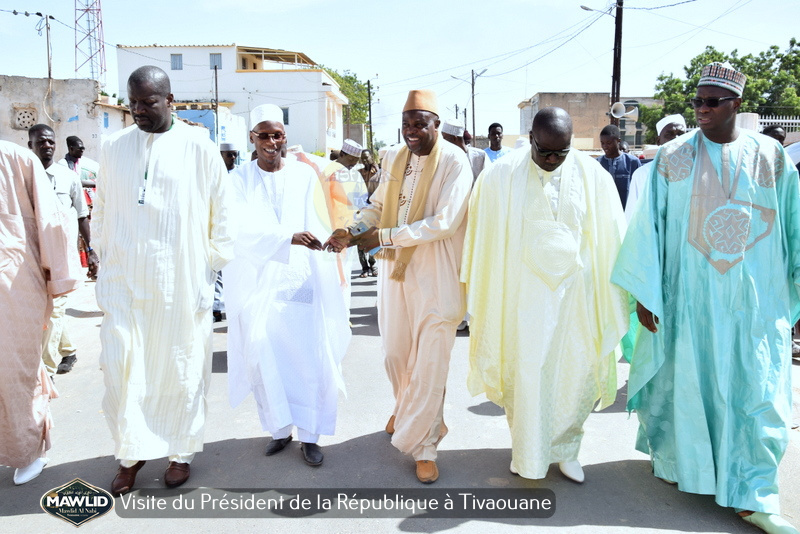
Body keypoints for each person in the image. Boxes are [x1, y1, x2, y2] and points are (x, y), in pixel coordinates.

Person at [611, 63, 800, 534]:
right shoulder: (673, 157)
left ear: (736, 103)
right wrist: (645, 295)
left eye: (711, 102)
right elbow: (648, 229)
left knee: (757, 392)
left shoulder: (772, 157)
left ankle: (753, 492)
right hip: (689, 302)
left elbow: (794, 228)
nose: (700, 109)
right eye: (696, 101)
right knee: (689, 385)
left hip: (755, 305)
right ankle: (685, 466)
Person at [462, 107, 628, 483]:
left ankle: (568, 449)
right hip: (521, 300)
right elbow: (483, 242)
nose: (552, 159)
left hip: (576, 301)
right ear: (531, 140)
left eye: (561, 152)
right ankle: (526, 450)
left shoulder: (592, 177)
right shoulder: (500, 176)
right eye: (545, 151)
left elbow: (610, 238)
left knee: (573, 374)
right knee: (526, 374)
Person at [94, 65, 233, 496]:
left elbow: (220, 212)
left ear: (170, 100)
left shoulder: (198, 147)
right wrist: (107, 256)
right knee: (122, 367)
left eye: (147, 102)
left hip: (180, 281)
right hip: (125, 282)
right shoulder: (113, 147)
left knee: (179, 366)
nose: (138, 110)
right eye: (132, 102)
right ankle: (130, 454)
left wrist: (209, 267)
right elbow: (101, 211)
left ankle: (179, 453)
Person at [324, 90, 473, 484]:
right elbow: (376, 204)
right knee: (395, 354)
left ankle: (424, 445)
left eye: (420, 123)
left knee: (430, 362)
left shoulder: (455, 162)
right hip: (395, 272)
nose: (412, 131)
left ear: (436, 125)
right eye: (406, 124)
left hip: (437, 272)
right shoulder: (392, 156)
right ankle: (409, 411)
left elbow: (445, 222)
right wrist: (352, 231)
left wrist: (385, 237)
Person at [224, 104, 350, 467]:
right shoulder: (239, 179)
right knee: (265, 354)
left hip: (300, 277)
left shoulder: (303, 175)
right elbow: (237, 230)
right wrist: (285, 237)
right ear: (252, 138)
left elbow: (317, 221)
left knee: (308, 355)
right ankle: (280, 428)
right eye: (263, 135)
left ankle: (310, 434)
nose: (270, 141)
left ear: (285, 138)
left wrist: (328, 245)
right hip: (259, 280)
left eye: (276, 134)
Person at [0, 140, 80, 485]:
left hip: (14, 283)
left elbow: (51, 222)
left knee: (16, 370)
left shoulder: (15, 157)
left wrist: (57, 279)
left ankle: (31, 450)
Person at [28, 125, 96, 376]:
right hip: (33, 254)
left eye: (51, 142)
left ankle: (45, 369)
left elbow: (81, 216)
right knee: (46, 307)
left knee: (56, 307)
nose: (47, 146)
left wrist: (90, 250)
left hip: (62, 254)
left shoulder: (68, 177)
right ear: (30, 146)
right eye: (41, 142)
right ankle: (68, 350)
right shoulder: (24, 176)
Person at [624, 114, 686, 221]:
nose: (676, 139)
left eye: (680, 134)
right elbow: (631, 217)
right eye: (669, 134)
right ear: (658, 141)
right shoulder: (642, 174)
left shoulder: (698, 171)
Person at [597, 124, 642, 209]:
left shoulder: (632, 162)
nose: (605, 146)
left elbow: (640, 189)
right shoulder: (596, 164)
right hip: (603, 213)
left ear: (618, 141)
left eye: (608, 143)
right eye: (602, 143)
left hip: (626, 213)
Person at [441, 118, 490, 183]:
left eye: (445, 138)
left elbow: (489, 179)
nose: (443, 141)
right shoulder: (444, 157)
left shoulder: (480, 156)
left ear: (454, 138)